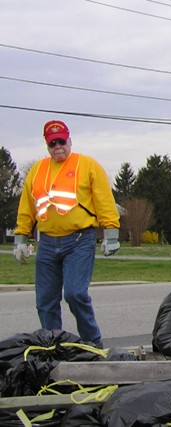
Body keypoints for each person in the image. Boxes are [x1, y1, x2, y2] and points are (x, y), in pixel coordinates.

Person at [13, 120, 120, 348]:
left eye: (62, 141)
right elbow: (27, 207)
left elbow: (104, 201)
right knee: (45, 300)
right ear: (47, 145)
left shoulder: (87, 165)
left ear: (70, 141)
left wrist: (111, 235)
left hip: (79, 240)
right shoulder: (37, 170)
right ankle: (53, 346)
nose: (58, 147)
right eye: (53, 143)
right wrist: (20, 239)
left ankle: (92, 343)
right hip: (48, 243)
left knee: (75, 294)